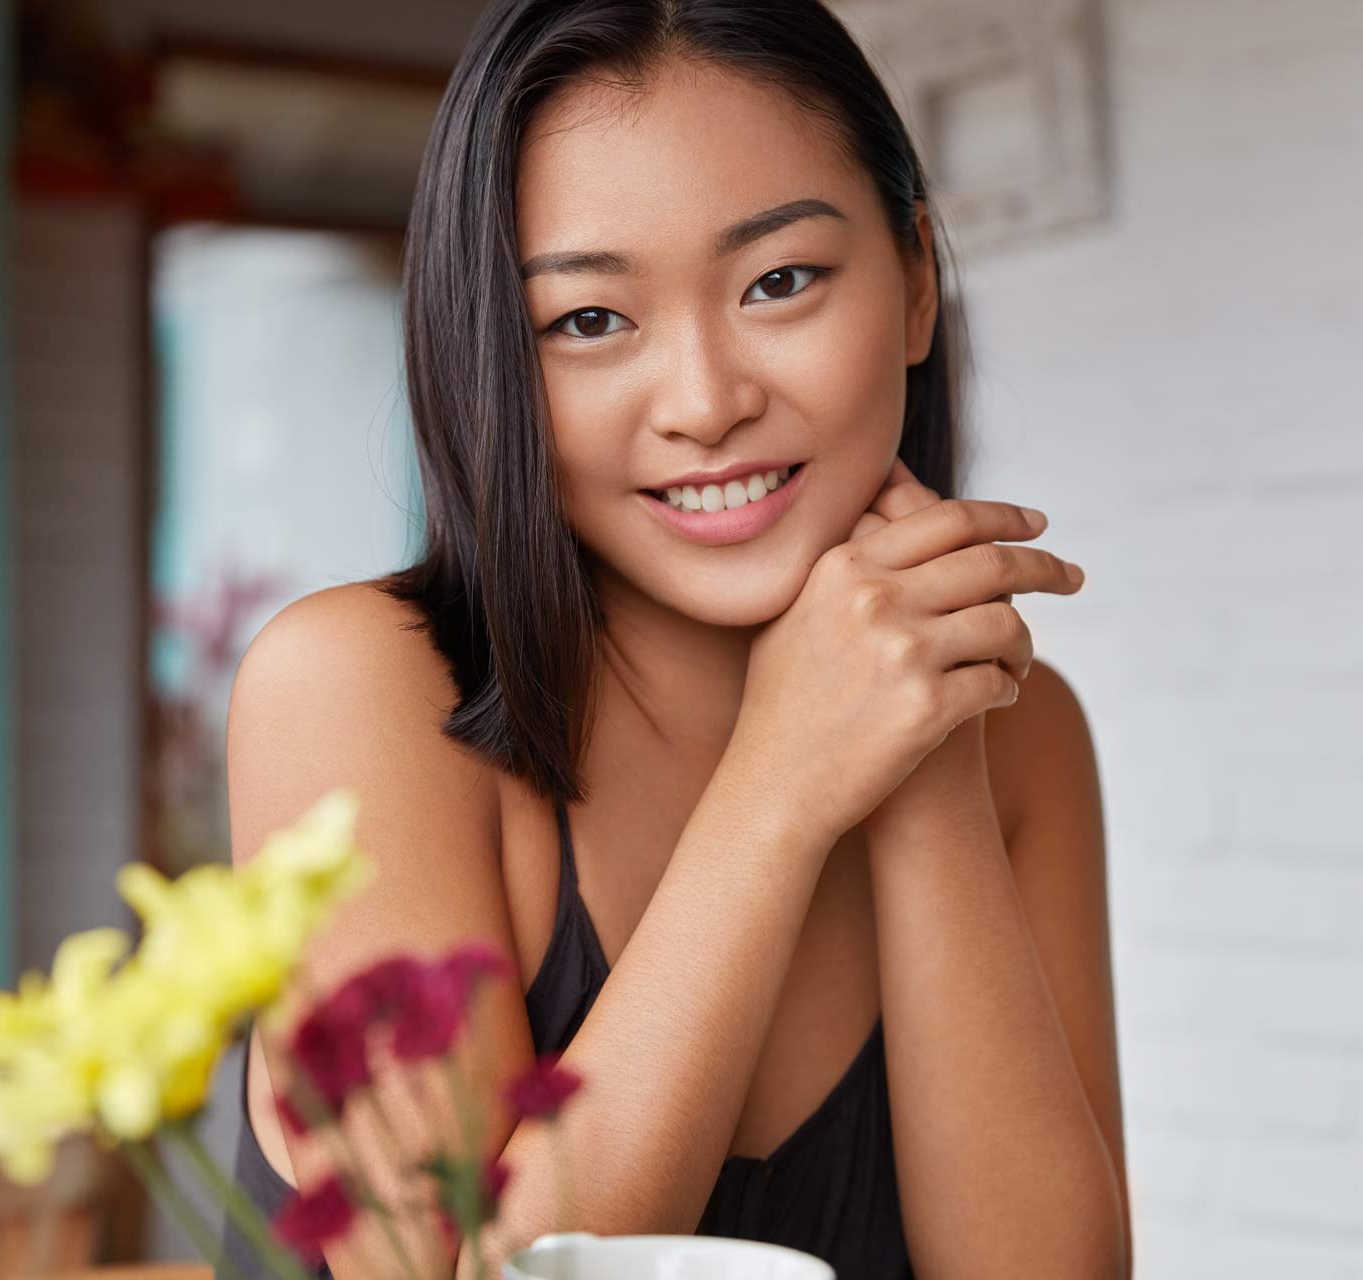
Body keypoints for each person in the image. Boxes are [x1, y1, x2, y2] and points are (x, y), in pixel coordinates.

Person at [222, 0, 1130, 1275]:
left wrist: (920, 762)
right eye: (591, 320)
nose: (706, 402)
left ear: (916, 282)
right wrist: (779, 788)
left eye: (781, 281)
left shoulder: (1020, 731)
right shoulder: (358, 688)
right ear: (494, 359)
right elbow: (466, 1269)